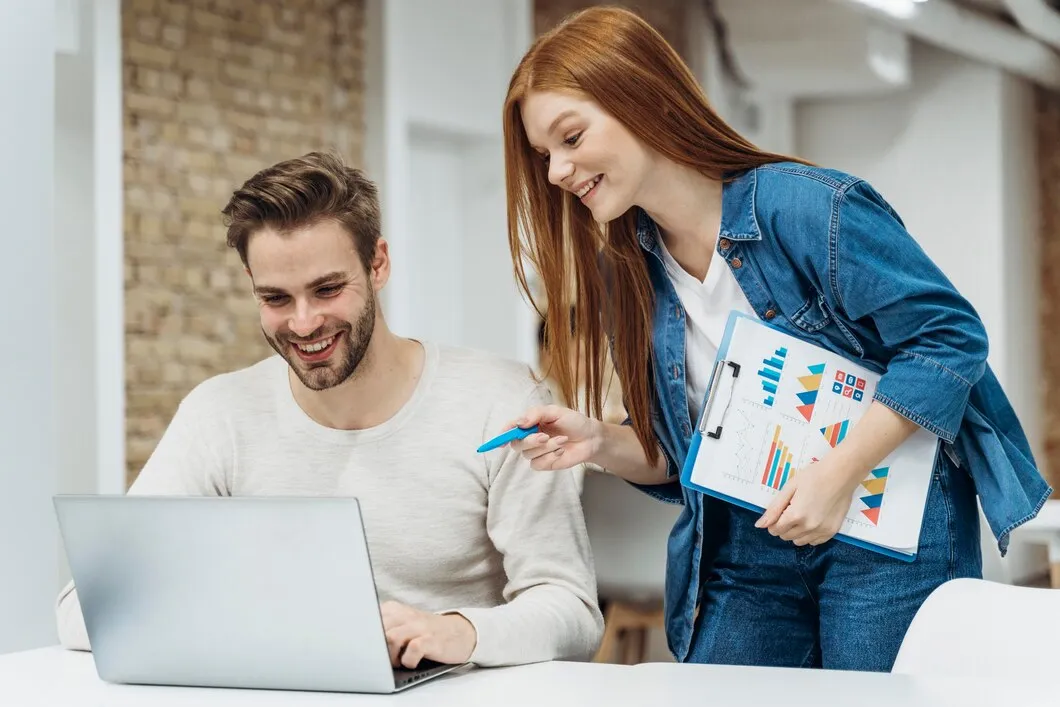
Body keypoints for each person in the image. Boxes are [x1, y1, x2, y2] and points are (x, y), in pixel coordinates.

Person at [499, 7, 1050, 672]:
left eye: (570, 137)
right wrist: (599, 441)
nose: (557, 170)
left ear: (642, 99)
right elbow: (684, 456)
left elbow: (949, 339)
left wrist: (838, 475)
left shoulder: (808, 208)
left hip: (883, 526)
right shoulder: (630, 273)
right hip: (745, 540)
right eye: (544, 155)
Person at [55, 151, 603, 669]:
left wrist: (460, 632)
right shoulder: (219, 414)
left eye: (327, 289)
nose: (303, 323)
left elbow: (572, 609)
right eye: (275, 298)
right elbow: (83, 609)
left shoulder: (501, 402)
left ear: (378, 263)